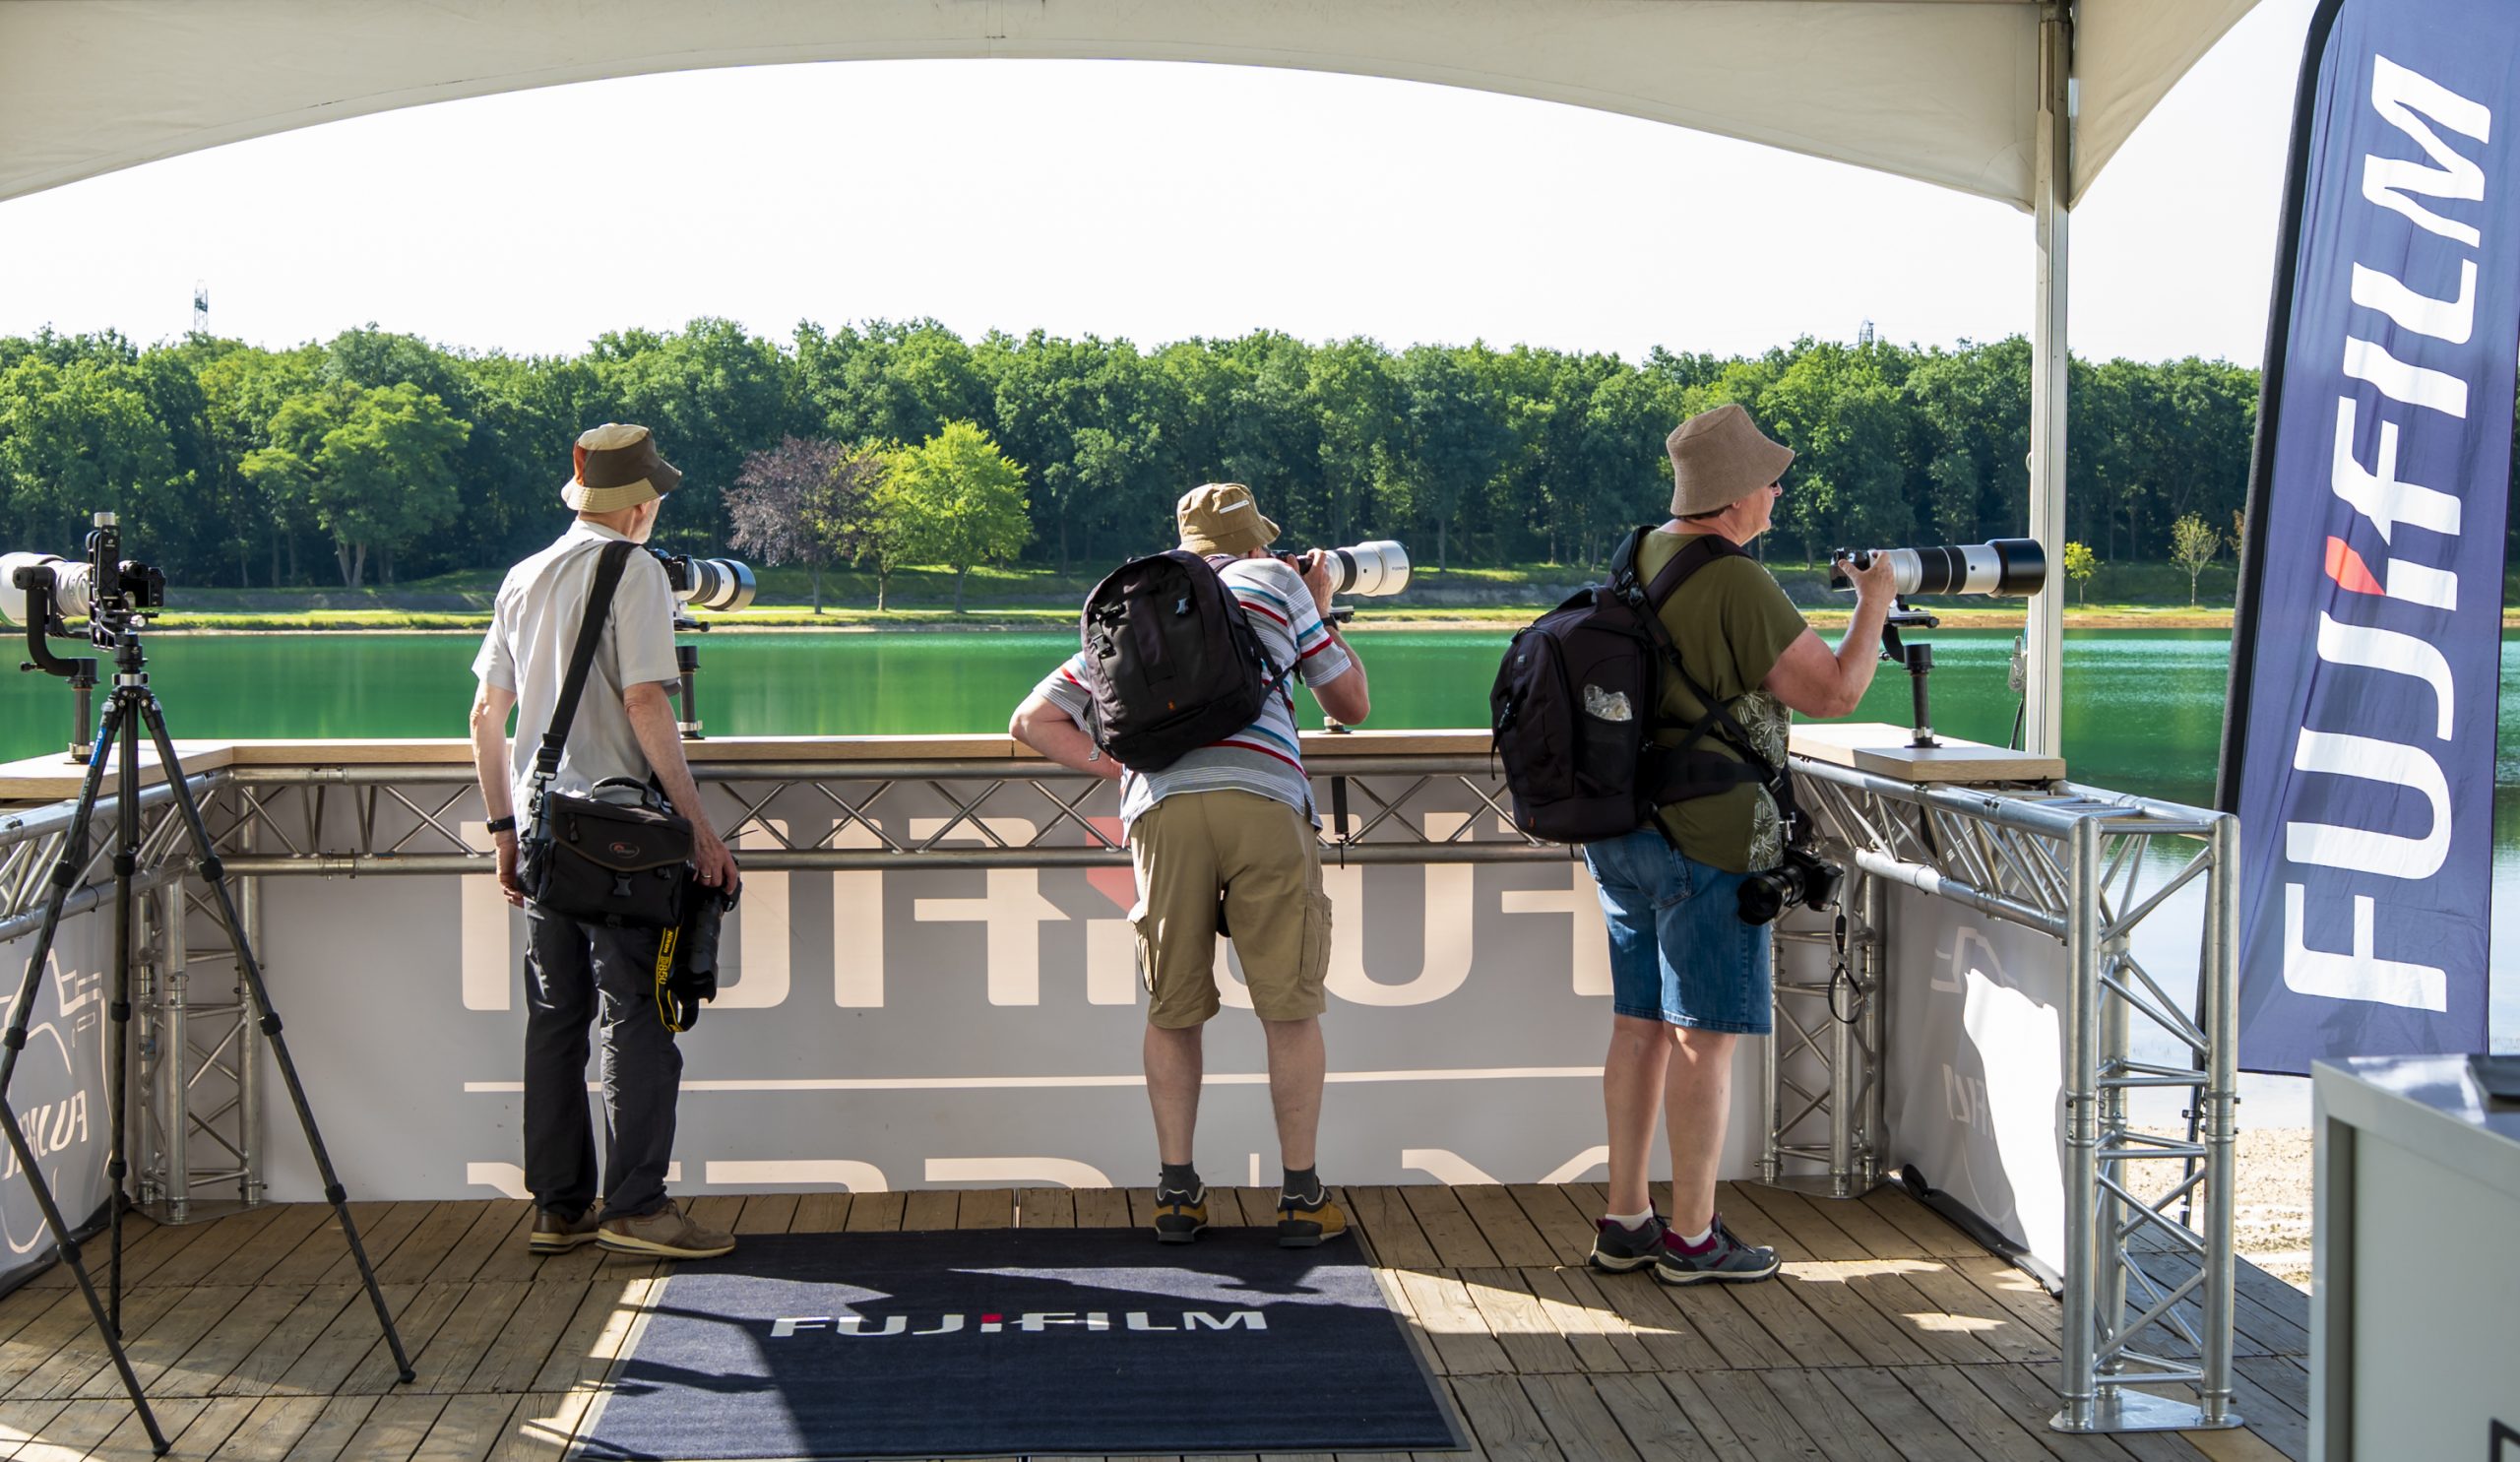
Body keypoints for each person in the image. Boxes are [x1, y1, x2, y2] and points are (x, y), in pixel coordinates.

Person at [1583, 404, 1895, 1286]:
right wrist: (1874, 605)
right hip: (1710, 835)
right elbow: (1835, 692)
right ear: (1731, 498)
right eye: (1769, 481)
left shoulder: (1637, 554)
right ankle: (1692, 1236)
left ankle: (1626, 1219)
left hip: (1623, 829)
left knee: (1639, 1027)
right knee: (1702, 1038)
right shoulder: (1734, 579)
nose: (1777, 493)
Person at [1009, 483, 1370, 1247]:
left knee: (1172, 1007)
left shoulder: (1136, 605)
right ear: (1254, 541)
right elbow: (1350, 701)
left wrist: (1129, 769)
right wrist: (1320, 603)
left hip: (1161, 812)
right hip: (1265, 801)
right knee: (1288, 1006)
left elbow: (1032, 720)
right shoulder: (1274, 581)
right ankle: (1300, 1198)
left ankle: (1177, 1193)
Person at [467, 421, 743, 1261]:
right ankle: (637, 1207)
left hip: (543, 830)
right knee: (637, 1016)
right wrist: (699, 830)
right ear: (639, 505)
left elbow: (484, 718)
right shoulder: (636, 571)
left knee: (556, 1019)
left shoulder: (522, 576)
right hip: (623, 841)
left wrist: (505, 831)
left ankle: (558, 1209)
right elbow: (646, 701)